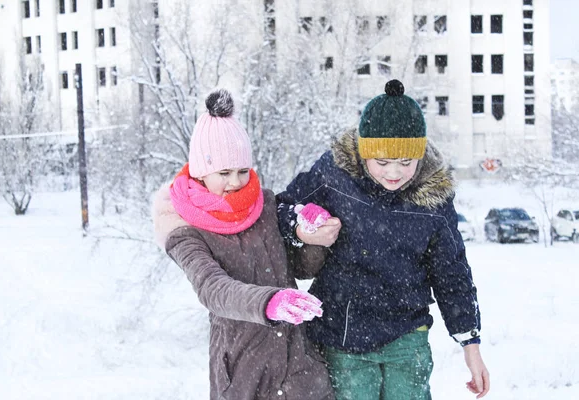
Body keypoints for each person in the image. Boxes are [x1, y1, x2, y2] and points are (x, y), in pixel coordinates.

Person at [276, 80, 490, 399]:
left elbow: (452, 271)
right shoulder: (335, 175)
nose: (394, 173)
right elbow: (281, 207)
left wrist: (470, 343)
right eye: (382, 162)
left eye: (406, 162)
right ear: (364, 154)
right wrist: (301, 227)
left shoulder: (434, 197)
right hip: (343, 334)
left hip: (408, 336)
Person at [151, 89, 335, 400]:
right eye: (224, 172)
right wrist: (269, 302)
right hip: (244, 370)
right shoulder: (183, 229)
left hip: (298, 366)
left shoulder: (263, 206)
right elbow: (213, 289)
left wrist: (312, 238)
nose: (235, 182)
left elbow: (301, 268)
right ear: (200, 171)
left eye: (241, 171)